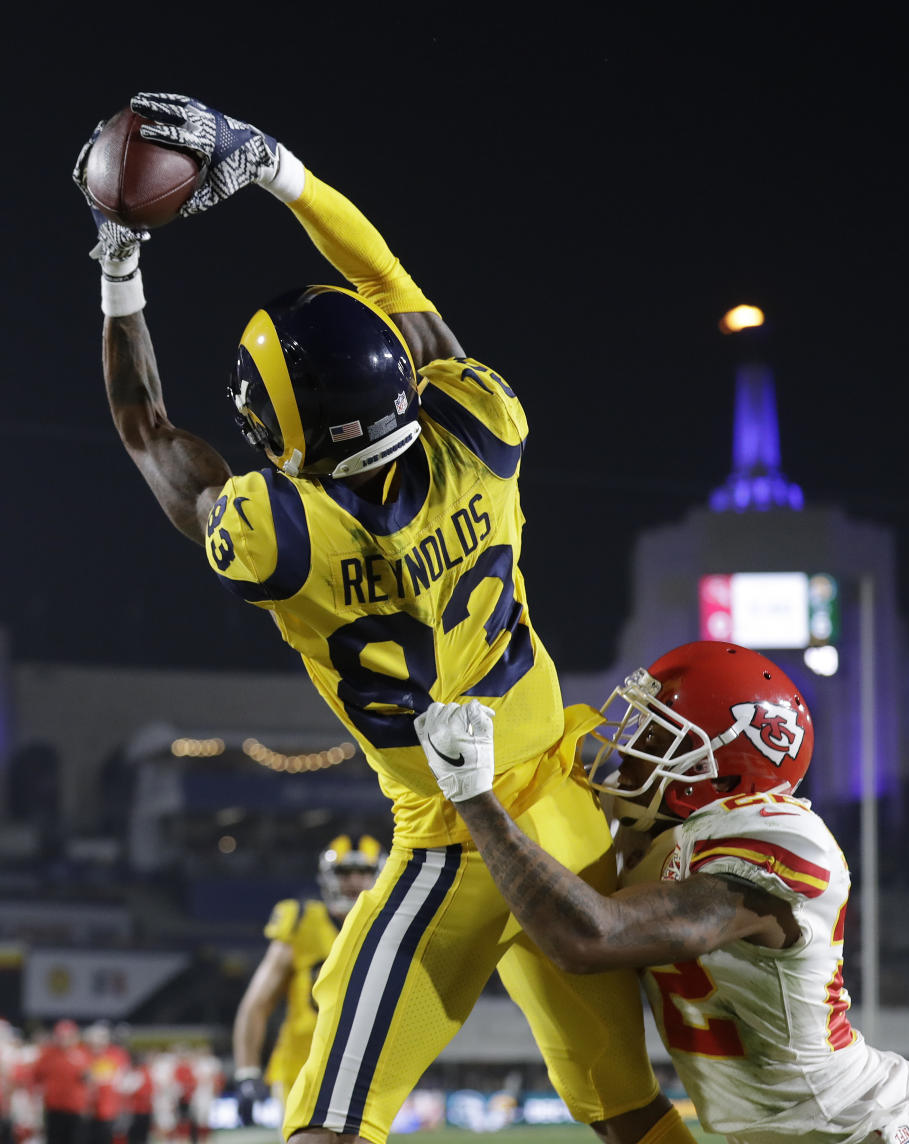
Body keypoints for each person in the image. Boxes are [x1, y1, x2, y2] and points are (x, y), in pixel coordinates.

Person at [72, 93, 696, 1144]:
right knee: (632, 1114)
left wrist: (119, 259)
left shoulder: (280, 533)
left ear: (277, 429)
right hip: (572, 804)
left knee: (328, 1121)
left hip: (456, 833)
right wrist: (275, 169)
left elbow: (145, 427)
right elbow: (388, 284)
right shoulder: (482, 428)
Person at [414, 641, 909, 1144]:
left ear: (721, 776)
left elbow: (591, 936)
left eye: (658, 739)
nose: (627, 755)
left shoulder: (777, 839)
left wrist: (474, 795)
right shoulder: (648, 841)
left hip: (882, 1125)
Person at [232, 836, 385, 1124]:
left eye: (362, 872)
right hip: (303, 1068)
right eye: (343, 872)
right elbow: (257, 1003)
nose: (353, 880)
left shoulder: (390, 928)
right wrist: (247, 1072)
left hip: (365, 1070)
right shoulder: (302, 920)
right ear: (328, 876)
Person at [32, 1021, 90, 1144]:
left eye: (68, 1036)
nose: (64, 1040)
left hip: (74, 1108)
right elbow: (36, 1077)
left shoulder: (82, 1054)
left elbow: (89, 1079)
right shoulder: (48, 1054)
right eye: (61, 1036)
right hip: (53, 1107)